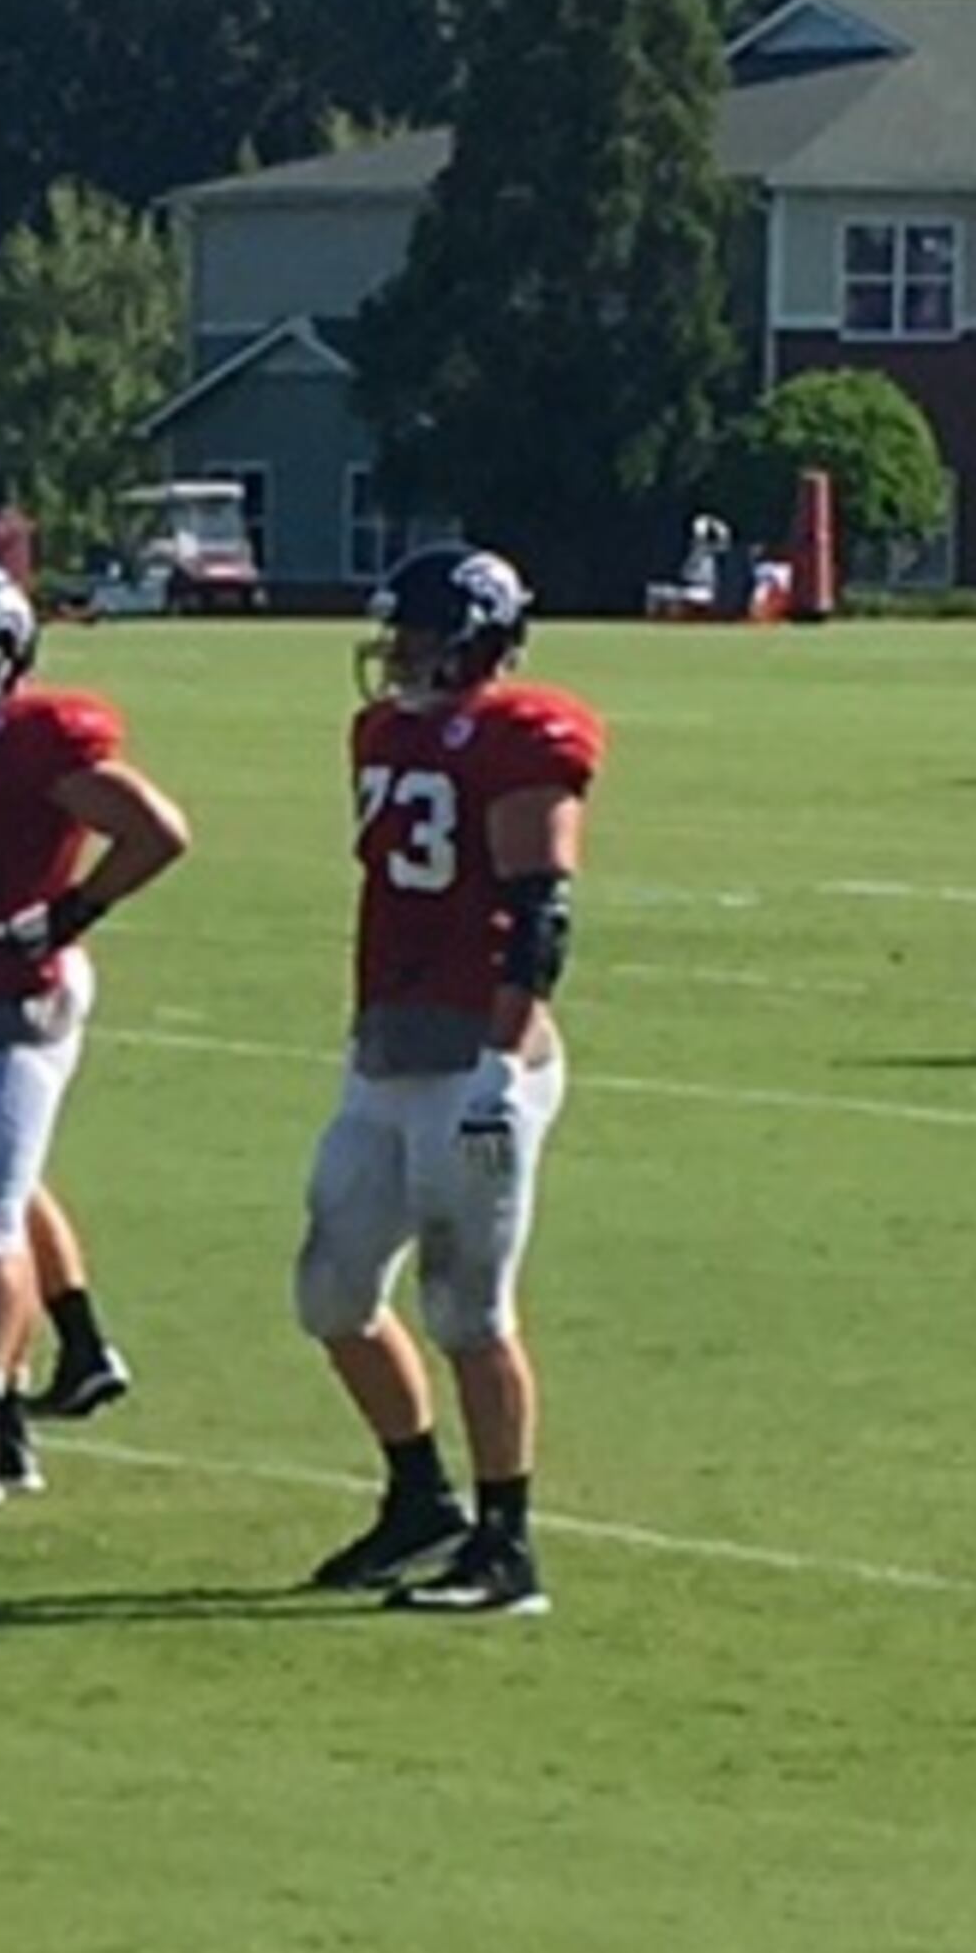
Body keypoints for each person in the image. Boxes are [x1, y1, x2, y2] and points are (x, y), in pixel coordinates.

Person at [296, 543, 599, 1616]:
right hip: (386, 1050)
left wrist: (498, 1069)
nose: (403, 658)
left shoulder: (522, 737)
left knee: (468, 1309)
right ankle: (421, 1500)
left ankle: (508, 1545)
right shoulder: (381, 731)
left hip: (480, 1060)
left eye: (424, 639)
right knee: (332, 1292)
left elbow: (538, 922)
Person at [0, 560, 190, 1507]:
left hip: (6, 1011)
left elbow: (157, 830)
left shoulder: (34, 741)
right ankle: (0, 1432)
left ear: (0, 663)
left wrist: (71, 912)